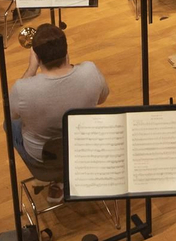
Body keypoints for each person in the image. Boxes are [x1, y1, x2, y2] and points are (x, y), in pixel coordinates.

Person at [9, 24, 109, 202]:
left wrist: (31, 69)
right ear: (66, 50)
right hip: (84, 148)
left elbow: (12, 115)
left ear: (37, 57)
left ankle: (58, 178)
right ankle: (65, 177)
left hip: (43, 161)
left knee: (9, 124)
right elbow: (102, 99)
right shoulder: (90, 70)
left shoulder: (23, 89)